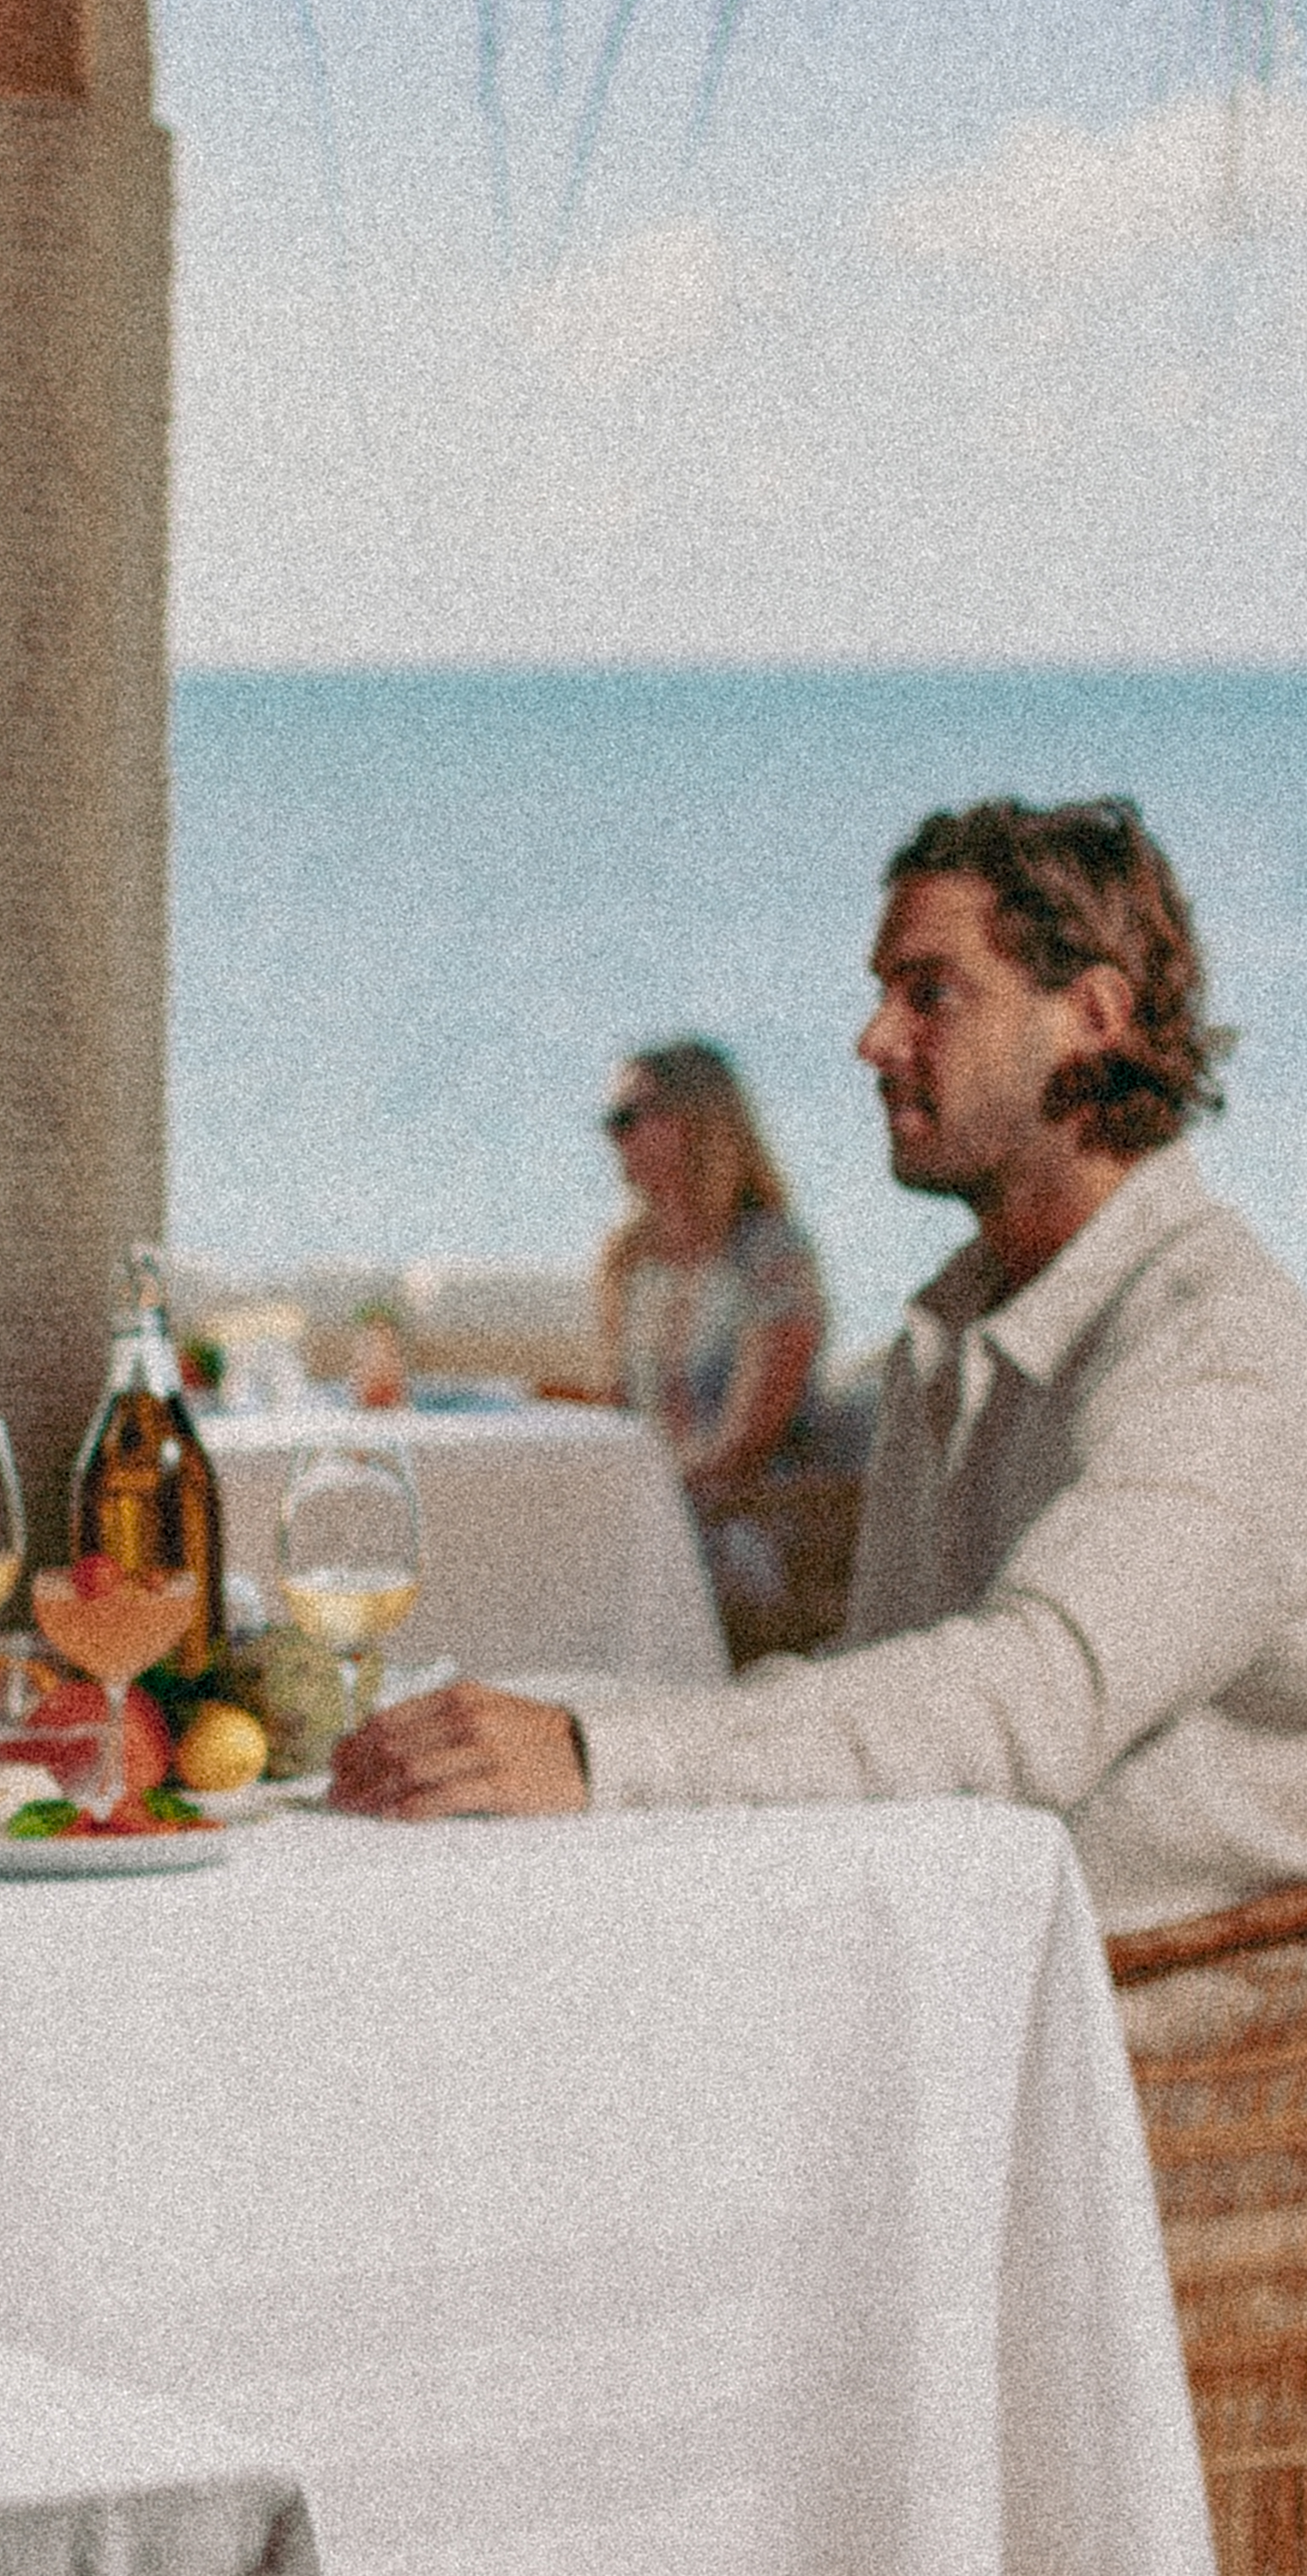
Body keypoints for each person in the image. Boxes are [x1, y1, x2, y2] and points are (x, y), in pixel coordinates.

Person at [339, 805, 1307, 1932]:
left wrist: (599, 1754)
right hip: (923, 1918)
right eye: (881, 993)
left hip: (1114, 1996)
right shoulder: (957, 1329)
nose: (873, 1039)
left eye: (928, 993)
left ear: (1091, 1016)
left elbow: (1026, 1694)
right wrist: (558, 1731)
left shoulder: (1220, 1346)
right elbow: (884, 1674)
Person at [597, 1039, 839, 1644]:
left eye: (629, 1118)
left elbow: (743, 1447)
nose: (615, 1137)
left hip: (751, 1522)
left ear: (696, 1121)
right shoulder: (628, 1262)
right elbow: (621, 1417)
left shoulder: (768, 1254)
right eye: (611, 1122)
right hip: (657, 1515)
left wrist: (641, 1505)